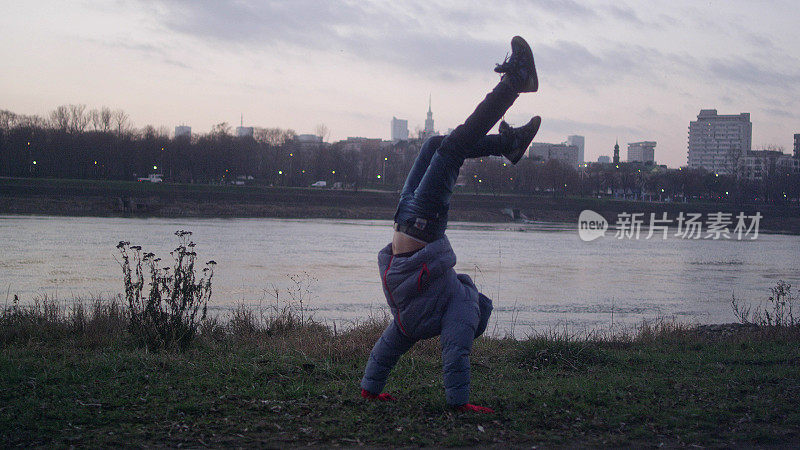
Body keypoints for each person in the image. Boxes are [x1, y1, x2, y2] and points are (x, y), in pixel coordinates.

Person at [360, 36, 541, 413]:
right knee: (445, 146)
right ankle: (508, 135)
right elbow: (389, 350)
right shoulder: (438, 308)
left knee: (442, 146)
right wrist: (370, 388)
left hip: (413, 220)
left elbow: (449, 354)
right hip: (417, 223)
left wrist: (373, 390)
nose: (474, 290)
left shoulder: (452, 312)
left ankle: (516, 83)